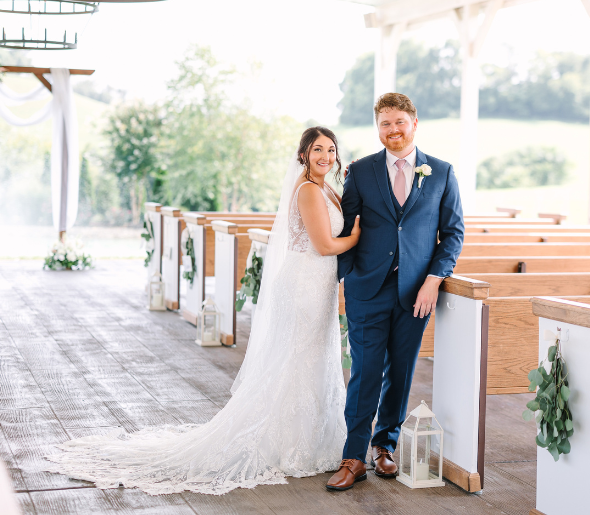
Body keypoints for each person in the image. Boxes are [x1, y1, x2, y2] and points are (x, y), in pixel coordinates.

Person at [44, 126, 360, 496]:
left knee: (312, 359)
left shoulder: (326, 188)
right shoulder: (307, 190)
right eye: (317, 149)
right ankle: (286, 442)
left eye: (331, 149)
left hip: (318, 287)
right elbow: (324, 245)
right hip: (305, 284)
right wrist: (358, 235)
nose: (326, 156)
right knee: (296, 360)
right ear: (302, 155)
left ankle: (313, 439)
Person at [326, 93, 464, 491]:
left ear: (414, 122)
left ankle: (383, 447)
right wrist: (346, 278)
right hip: (368, 289)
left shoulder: (441, 172)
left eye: (399, 121)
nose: (393, 130)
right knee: (365, 372)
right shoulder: (362, 171)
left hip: (416, 294)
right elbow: (347, 225)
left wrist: (434, 280)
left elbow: (452, 234)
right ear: (378, 127)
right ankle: (353, 457)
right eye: (385, 123)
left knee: (400, 374)